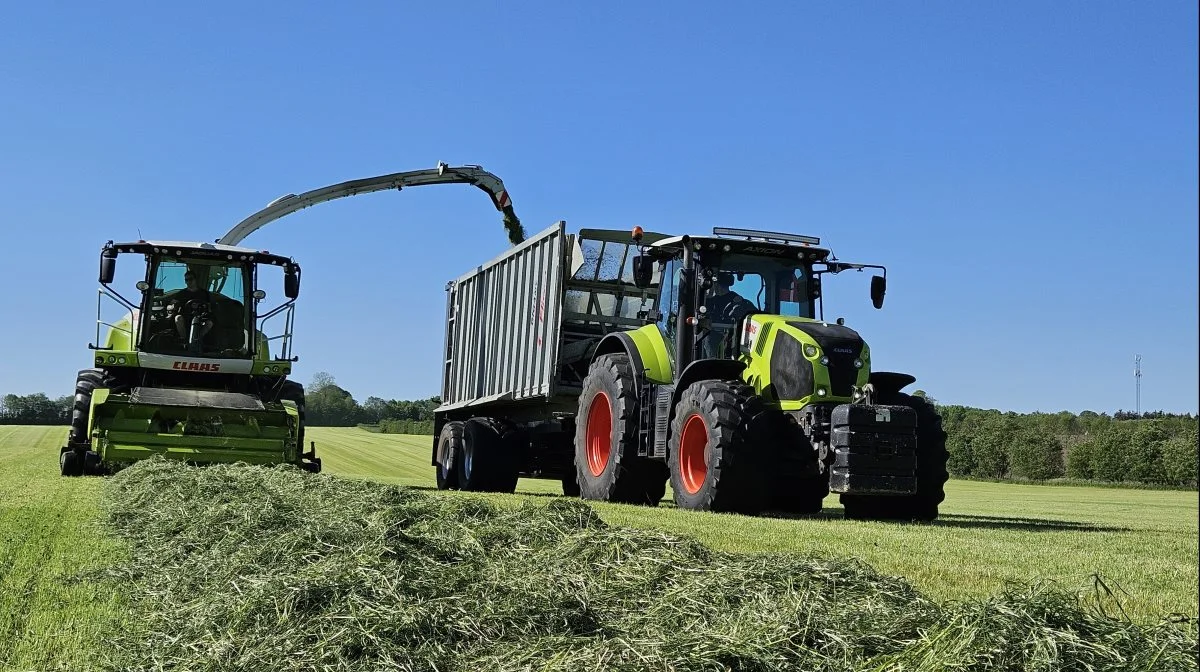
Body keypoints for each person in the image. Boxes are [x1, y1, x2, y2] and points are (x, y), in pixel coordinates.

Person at [167, 270, 214, 351]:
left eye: (190, 279)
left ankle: (196, 339)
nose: (188, 282)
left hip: (201, 317)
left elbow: (210, 306)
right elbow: (170, 305)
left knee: (209, 323)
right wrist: (172, 307)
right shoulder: (181, 293)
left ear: (196, 280)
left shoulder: (204, 293)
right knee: (178, 318)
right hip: (185, 317)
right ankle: (184, 340)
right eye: (186, 280)